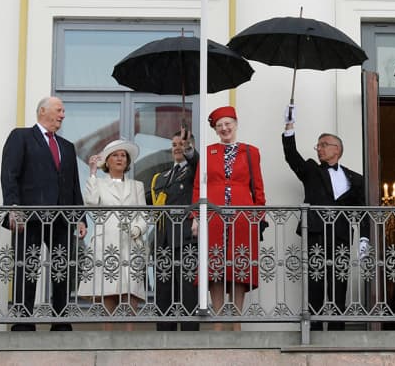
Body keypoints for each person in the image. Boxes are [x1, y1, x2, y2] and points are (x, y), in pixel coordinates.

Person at [0, 95, 86, 331]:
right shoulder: (22, 137)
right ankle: (24, 321)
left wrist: (80, 218)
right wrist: (13, 209)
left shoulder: (67, 146)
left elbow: (74, 186)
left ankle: (60, 321)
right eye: (59, 109)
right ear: (43, 111)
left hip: (62, 219)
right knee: (27, 267)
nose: (63, 115)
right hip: (30, 217)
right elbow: (9, 174)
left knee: (63, 268)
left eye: (63, 111)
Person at [281, 104, 368, 331]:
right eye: (318, 145)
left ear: (337, 149)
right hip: (317, 234)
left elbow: (363, 211)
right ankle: (316, 331)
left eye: (324, 145)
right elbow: (292, 156)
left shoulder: (356, 178)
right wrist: (289, 126)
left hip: (340, 236)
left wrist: (364, 239)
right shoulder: (311, 170)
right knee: (316, 283)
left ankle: (338, 331)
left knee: (340, 284)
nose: (319, 149)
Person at [191, 105, 266, 328]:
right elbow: (198, 188)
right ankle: (218, 322)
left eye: (228, 124)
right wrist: (196, 216)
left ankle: (236, 322)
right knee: (215, 268)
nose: (224, 128)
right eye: (219, 125)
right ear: (215, 130)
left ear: (235, 124)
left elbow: (259, 188)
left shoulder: (250, 151)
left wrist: (258, 216)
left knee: (239, 268)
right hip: (213, 217)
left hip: (243, 217)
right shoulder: (207, 152)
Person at [78, 138, 148, 329]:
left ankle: (130, 335)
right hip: (106, 241)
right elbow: (91, 203)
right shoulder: (99, 183)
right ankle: (106, 335)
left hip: (130, 242)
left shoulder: (137, 186)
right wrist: (92, 173)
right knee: (107, 290)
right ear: (107, 162)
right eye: (115, 155)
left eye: (123, 156)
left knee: (130, 291)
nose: (120, 159)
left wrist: (137, 229)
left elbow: (144, 215)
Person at [148, 127, 199, 331]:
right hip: (163, 241)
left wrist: (190, 150)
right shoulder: (161, 177)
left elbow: (196, 161)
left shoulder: (195, 170)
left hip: (186, 239)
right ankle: (164, 338)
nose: (177, 148)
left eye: (182, 144)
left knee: (187, 292)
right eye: (174, 145)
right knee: (163, 293)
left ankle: (189, 340)